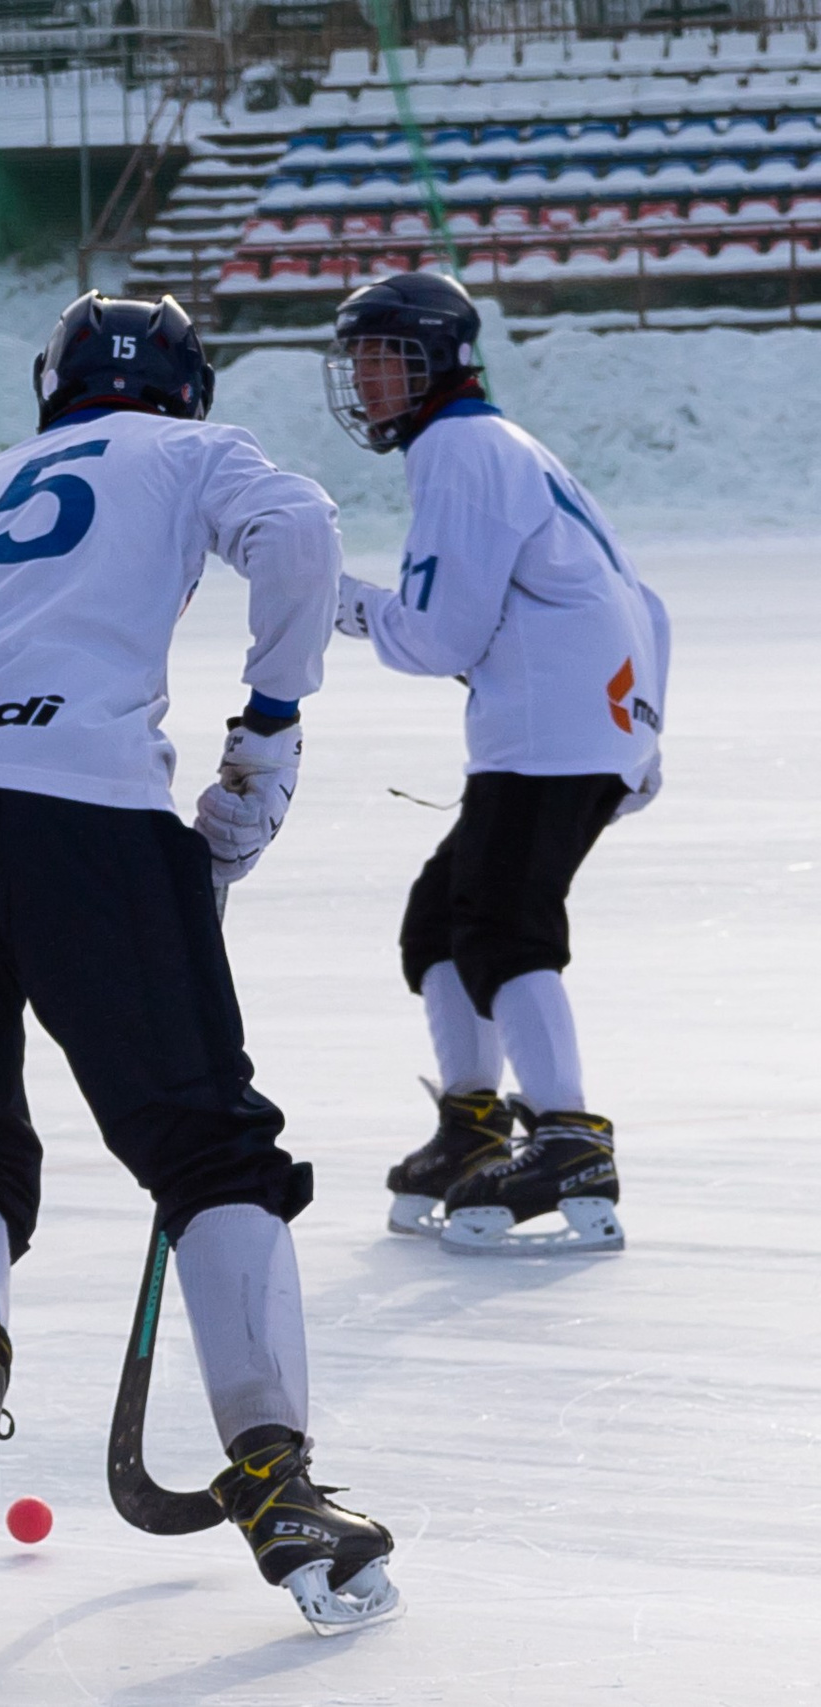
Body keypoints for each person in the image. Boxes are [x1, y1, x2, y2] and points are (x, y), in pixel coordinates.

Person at [0, 292, 400, 1633]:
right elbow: (303, 530)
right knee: (207, 1149)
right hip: (74, 797)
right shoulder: (197, 453)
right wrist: (269, 717)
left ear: (55, 385)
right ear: (185, 388)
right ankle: (278, 1477)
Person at [326, 272, 668, 1257]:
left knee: (502, 927)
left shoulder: (460, 448)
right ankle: (474, 1122)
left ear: (437, 360)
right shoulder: (502, 442)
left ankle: (568, 1139)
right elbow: (643, 597)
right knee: (438, 922)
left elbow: (436, 637)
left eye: (382, 358)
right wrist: (644, 727)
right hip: (578, 721)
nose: (364, 380)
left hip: (550, 730)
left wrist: (329, 599)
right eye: (355, 360)